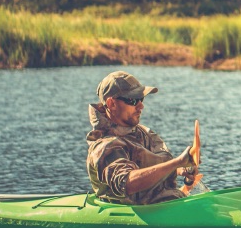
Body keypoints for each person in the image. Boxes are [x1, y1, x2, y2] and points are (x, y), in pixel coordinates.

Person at [85, 71, 198, 205]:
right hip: (139, 214)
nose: (141, 106)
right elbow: (126, 183)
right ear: (111, 104)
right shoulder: (105, 146)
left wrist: (181, 170)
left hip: (168, 204)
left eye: (141, 99)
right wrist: (176, 162)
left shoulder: (143, 133)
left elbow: (150, 165)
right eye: (132, 100)